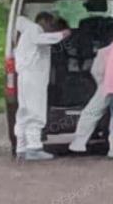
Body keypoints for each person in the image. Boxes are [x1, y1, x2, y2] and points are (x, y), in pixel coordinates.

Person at [14, 12, 70, 160]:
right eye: (51, 24)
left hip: (25, 78)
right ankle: (34, 148)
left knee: (24, 112)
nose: (51, 28)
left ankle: (21, 148)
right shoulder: (34, 29)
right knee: (35, 112)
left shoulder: (26, 32)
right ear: (43, 21)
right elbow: (42, 39)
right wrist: (61, 35)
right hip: (33, 78)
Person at [69, 34, 113, 158]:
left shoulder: (105, 52)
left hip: (106, 84)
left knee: (92, 111)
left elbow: (96, 71)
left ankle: (79, 143)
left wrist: (101, 83)